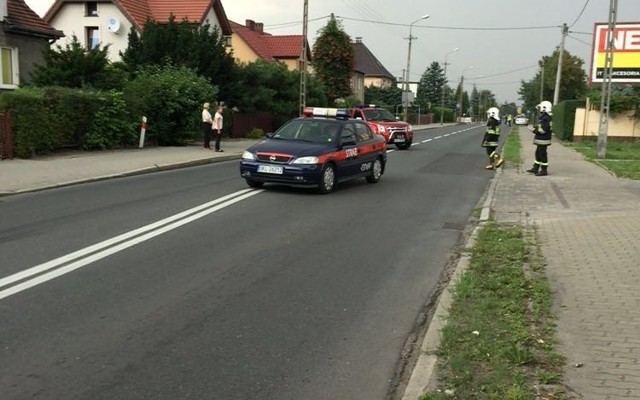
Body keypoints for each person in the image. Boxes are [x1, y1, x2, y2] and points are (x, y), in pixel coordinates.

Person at [527, 101, 553, 176]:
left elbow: (543, 130)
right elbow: (541, 127)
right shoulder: (545, 117)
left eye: (540, 107)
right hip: (542, 139)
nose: (540, 109)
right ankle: (536, 168)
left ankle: (544, 170)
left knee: (542, 154)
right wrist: (535, 128)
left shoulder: (546, 118)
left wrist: (533, 130)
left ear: (544, 108)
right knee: (538, 153)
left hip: (543, 139)